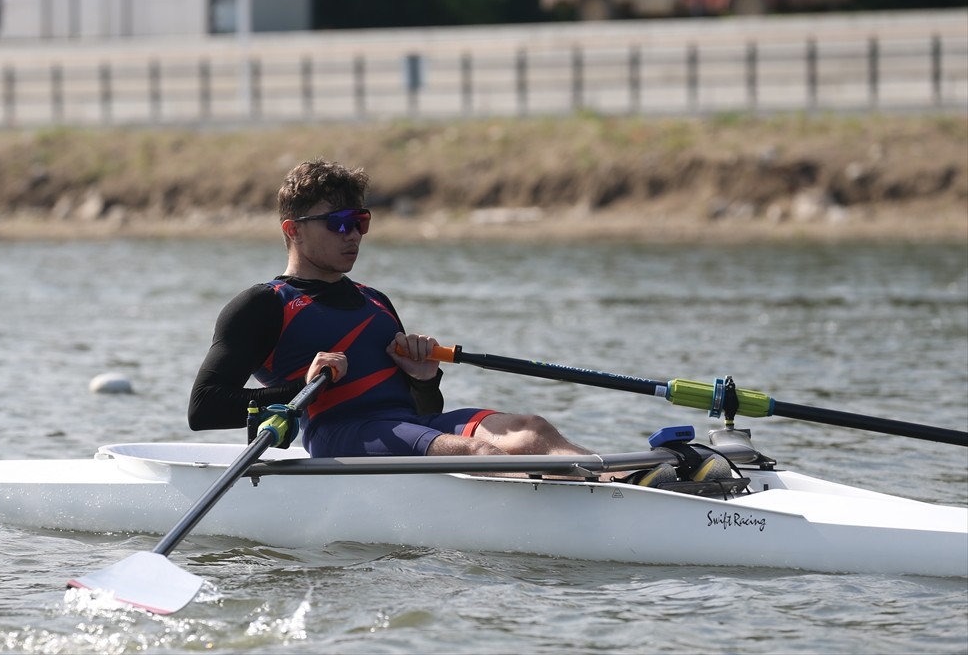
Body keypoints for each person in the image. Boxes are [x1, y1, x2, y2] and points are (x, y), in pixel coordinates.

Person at [188, 160, 729, 486]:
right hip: (341, 437)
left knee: (532, 430)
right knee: (481, 453)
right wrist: (297, 389)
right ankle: (615, 492)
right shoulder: (263, 305)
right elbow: (204, 407)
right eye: (338, 223)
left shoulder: (375, 300)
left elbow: (423, 412)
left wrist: (425, 379)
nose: (353, 235)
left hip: (400, 429)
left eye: (361, 221)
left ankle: (627, 480)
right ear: (293, 230)